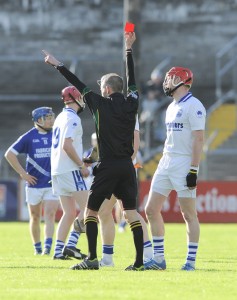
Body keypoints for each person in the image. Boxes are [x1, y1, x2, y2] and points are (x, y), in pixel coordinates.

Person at [43, 31, 144, 271]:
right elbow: (132, 80)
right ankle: (139, 262)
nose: (99, 88)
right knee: (131, 215)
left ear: (107, 89)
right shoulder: (133, 103)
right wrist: (128, 49)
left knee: (90, 212)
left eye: (101, 85)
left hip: (108, 167)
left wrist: (58, 65)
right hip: (127, 167)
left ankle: (92, 258)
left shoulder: (98, 104)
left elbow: (77, 83)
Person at [144, 66, 206, 271]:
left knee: (189, 214)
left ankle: (190, 261)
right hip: (166, 160)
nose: (166, 82)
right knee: (151, 210)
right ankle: (159, 259)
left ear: (181, 80)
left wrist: (193, 170)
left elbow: (199, 139)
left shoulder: (194, 105)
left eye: (170, 78)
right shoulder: (171, 106)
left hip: (183, 163)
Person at [98, 117, 153, 267]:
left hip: (121, 169)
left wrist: (121, 167)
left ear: (108, 90)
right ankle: (108, 258)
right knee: (107, 211)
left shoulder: (126, 109)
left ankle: (147, 254)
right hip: (115, 168)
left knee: (128, 213)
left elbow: (134, 145)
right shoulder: (112, 107)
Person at [5, 107, 59, 255]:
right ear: (39, 120)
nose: (51, 120)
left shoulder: (56, 134)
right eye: (48, 117)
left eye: (51, 117)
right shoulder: (29, 137)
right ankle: (37, 247)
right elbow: (9, 154)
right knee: (35, 217)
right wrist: (23, 173)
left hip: (51, 182)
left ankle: (48, 247)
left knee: (50, 213)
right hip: (34, 184)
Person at [50, 85, 90, 260]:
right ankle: (71, 245)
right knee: (89, 209)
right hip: (70, 169)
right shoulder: (73, 118)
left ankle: (58, 251)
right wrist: (81, 165)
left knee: (69, 212)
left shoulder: (60, 116)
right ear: (75, 98)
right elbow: (67, 145)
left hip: (57, 170)